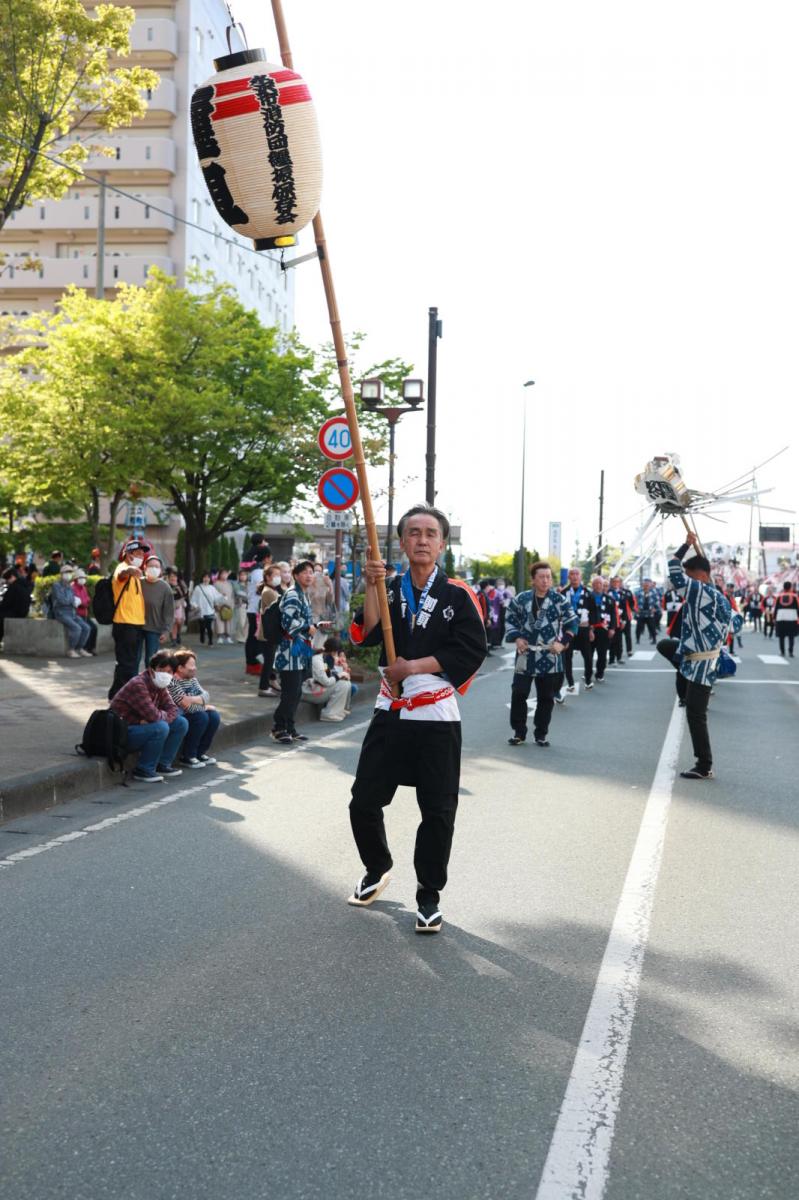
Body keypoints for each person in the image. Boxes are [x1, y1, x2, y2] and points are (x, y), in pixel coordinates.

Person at [347, 504, 487, 934]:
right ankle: (378, 866)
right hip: (390, 710)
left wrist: (413, 667)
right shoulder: (389, 587)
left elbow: (471, 650)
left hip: (435, 712)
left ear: (442, 543)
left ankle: (429, 893)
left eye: (430, 533)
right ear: (403, 542)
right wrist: (371, 586)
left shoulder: (458, 594)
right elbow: (365, 633)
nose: (422, 540)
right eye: (413, 533)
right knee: (364, 801)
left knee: (438, 809)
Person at [657, 532, 742, 780]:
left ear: (701, 576)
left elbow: (673, 568)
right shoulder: (721, 598)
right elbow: (736, 625)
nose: (687, 581)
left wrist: (686, 544)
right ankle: (681, 666)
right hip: (699, 657)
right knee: (665, 645)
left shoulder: (699, 590)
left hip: (702, 664)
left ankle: (704, 765)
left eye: (691, 575)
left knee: (696, 714)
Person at [505, 561, 578, 746]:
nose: (546, 581)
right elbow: (510, 618)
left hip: (550, 655)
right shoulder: (521, 599)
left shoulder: (559, 600)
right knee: (519, 693)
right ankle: (519, 732)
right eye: (541, 577)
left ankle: (541, 733)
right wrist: (516, 638)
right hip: (526, 653)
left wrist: (563, 643)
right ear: (533, 580)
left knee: (546, 697)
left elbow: (572, 623)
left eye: (548, 577)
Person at [109, 650, 189, 782]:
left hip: (139, 727)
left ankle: (162, 764)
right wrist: (158, 717)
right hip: (121, 732)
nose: (165, 675)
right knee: (160, 727)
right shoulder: (139, 684)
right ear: (152, 669)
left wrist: (159, 716)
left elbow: (172, 709)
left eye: (169, 672)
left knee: (181, 723)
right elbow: (154, 716)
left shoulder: (160, 685)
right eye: (161, 670)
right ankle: (144, 769)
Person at [271, 560, 317, 744]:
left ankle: (289, 727)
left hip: (299, 651)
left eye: (311, 572)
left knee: (296, 692)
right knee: (290, 692)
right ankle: (278, 727)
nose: (309, 575)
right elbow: (287, 623)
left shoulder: (303, 594)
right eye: (305, 572)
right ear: (296, 576)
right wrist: (308, 627)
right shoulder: (292, 595)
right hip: (288, 652)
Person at [169, 649, 221, 768]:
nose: (194, 668)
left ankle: (200, 753)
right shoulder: (173, 682)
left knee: (214, 716)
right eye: (191, 665)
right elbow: (185, 706)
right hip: (180, 714)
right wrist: (203, 706)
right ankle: (188, 756)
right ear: (180, 668)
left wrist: (192, 699)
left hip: (193, 709)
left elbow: (206, 695)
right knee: (201, 717)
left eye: (194, 665)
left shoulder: (192, 679)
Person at [108, 539, 147, 700]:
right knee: (126, 662)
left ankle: (117, 694)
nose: (141, 557)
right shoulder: (123, 568)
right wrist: (129, 569)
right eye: (138, 553)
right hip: (125, 623)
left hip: (136, 623)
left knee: (131, 662)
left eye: (143, 554)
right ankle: (123, 696)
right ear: (128, 554)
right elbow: (121, 575)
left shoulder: (137, 573)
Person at [560, 567, 593, 690]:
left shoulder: (588, 593)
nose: (574, 576)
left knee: (588, 656)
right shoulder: (563, 593)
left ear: (580, 577)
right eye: (572, 574)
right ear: (569, 577)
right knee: (567, 656)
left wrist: (591, 629)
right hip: (568, 629)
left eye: (576, 574)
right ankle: (570, 682)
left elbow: (594, 613)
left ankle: (588, 679)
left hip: (583, 628)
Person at [49, 564, 92, 658]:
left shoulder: (69, 586)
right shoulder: (56, 585)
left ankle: (79, 648)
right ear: (61, 574)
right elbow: (62, 600)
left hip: (72, 612)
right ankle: (71, 650)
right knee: (77, 628)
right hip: (61, 613)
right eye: (66, 572)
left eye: (70, 572)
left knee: (86, 627)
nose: (68, 574)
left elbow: (72, 599)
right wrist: (72, 600)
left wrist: (71, 600)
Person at [301, 643, 352, 720]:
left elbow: (328, 675)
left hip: (315, 688)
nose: (337, 657)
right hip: (307, 691)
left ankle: (337, 711)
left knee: (346, 683)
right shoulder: (318, 660)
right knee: (343, 684)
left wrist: (342, 674)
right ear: (333, 652)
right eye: (337, 654)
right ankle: (329, 713)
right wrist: (339, 676)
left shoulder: (323, 659)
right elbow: (326, 682)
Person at [140, 555, 175, 665]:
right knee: (134, 658)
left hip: (154, 629)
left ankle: (150, 681)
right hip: (137, 626)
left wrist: (166, 630)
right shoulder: (138, 583)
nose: (154, 569)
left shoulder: (165, 588)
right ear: (145, 567)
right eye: (151, 566)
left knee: (150, 660)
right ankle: (136, 682)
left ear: (160, 570)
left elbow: (169, 612)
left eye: (156, 567)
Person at [257, 564, 284, 698]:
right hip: (269, 632)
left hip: (271, 631)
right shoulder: (268, 592)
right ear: (268, 577)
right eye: (276, 575)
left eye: (280, 575)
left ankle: (272, 680)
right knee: (269, 660)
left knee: (271, 658)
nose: (279, 578)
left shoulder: (271, 590)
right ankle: (263, 687)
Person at [245, 545, 272, 674]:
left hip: (253, 608)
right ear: (267, 558)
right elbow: (261, 590)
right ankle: (253, 664)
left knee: (253, 637)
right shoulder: (259, 573)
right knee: (255, 638)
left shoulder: (255, 571)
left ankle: (252, 663)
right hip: (256, 609)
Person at [587, 575, 618, 683]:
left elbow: (614, 615)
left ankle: (600, 674)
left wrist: (612, 628)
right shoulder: (587, 597)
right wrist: (588, 628)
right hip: (590, 629)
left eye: (600, 583)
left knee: (602, 654)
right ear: (592, 585)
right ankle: (588, 673)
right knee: (588, 654)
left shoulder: (610, 599)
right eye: (596, 583)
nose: (598, 586)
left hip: (604, 630)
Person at [190, 571, 225, 647]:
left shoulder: (212, 588)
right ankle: (202, 636)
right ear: (202, 578)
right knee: (202, 627)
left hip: (209, 611)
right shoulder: (198, 588)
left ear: (210, 579)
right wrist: (195, 606)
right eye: (204, 577)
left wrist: (223, 596)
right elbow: (193, 599)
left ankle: (210, 641)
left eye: (208, 577)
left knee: (209, 627)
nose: (206, 579)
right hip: (200, 611)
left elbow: (217, 597)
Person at [0, 566, 31, 643]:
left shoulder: (14, 587)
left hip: (15, 613)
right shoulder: (25, 584)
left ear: (12, 577)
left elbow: (6, 603)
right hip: (23, 612)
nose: (7, 581)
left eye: (7, 579)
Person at [71, 569, 98, 654]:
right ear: (76, 578)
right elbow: (76, 602)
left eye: (84, 577)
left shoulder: (84, 588)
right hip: (77, 614)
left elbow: (87, 600)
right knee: (87, 628)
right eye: (81, 577)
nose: (83, 579)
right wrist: (83, 602)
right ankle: (84, 648)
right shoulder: (72, 587)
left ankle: (91, 648)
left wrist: (83, 602)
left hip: (84, 614)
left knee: (94, 628)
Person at [775, 581, 799, 658]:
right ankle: (790, 652)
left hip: (781, 617)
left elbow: (776, 608)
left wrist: (774, 618)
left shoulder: (779, 596)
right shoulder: (795, 596)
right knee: (791, 636)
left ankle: (782, 652)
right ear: (790, 587)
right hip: (792, 618)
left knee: (781, 636)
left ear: (784, 587)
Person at [166, 568, 189, 646]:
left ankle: (178, 633)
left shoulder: (180, 585)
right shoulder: (166, 585)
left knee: (179, 621)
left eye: (175, 576)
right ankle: (174, 639)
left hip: (179, 606)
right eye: (171, 576)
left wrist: (178, 589)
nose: (173, 578)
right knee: (174, 622)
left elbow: (185, 594)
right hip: (170, 606)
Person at [214, 568, 235, 644]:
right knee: (219, 622)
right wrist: (216, 605)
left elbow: (232, 595)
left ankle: (228, 636)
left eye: (226, 574)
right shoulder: (216, 584)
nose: (224, 575)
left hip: (228, 605)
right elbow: (214, 595)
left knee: (228, 621)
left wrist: (232, 605)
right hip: (220, 605)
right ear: (219, 575)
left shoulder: (229, 584)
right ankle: (219, 636)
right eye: (223, 574)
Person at [635, 579, 659, 644]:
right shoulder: (638, 592)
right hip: (641, 612)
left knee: (652, 627)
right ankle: (637, 639)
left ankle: (654, 639)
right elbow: (635, 602)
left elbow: (657, 602)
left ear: (650, 586)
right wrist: (636, 609)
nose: (646, 586)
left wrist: (655, 609)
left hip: (650, 612)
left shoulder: (653, 592)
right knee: (638, 627)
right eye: (645, 585)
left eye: (647, 585)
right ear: (643, 585)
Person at [232, 568, 249, 643]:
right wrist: (248, 596)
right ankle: (240, 637)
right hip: (240, 605)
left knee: (247, 622)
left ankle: (245, 637)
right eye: (241, 575)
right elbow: (238, 593)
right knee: (241, 622)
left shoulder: (249, 584)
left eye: (244, 575)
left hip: (249, 605)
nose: (243, 576)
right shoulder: (236, 584)